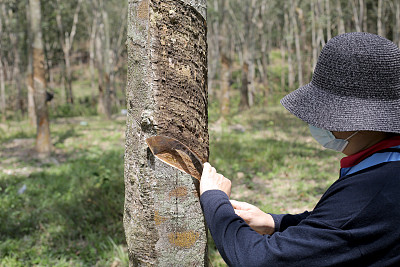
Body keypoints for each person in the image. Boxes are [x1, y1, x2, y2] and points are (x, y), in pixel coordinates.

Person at [199, 32, 400, 266]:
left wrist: (215, 201)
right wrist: (277, 222)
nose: (318, 122)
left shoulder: (372, 189)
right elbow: (343, 226)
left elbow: (259, 260)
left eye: (327, 114)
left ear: (359, 121)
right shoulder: (386, 168)